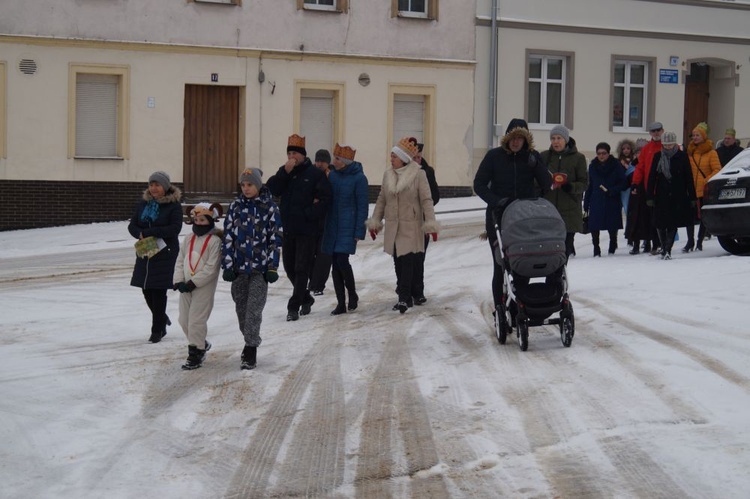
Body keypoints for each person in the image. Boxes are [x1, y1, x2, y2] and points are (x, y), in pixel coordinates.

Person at [473, 118, 552, 309]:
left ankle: (519, 305)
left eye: (521, 138)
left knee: (522, 264)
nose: (516, 142)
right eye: (513, 138)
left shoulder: (532, 157)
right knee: (501, 266)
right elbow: (479, 184)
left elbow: (546, 185)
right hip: (498, 217)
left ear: (526, 141)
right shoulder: (494, 156)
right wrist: (496, 200)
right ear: (507, 138)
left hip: (524, 219)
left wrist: (537, 167)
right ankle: (500, 307)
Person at [366, 136, 440, 313]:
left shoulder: (419, 174)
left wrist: (430, 223)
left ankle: (404, 298)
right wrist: (376, 221)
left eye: (394, 156)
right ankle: (405, 296)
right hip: (393, 226)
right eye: (391, 156)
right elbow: (382, 199)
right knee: (398, 262)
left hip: (411, 225)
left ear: (404, 158)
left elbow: (427, 200)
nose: (391, 159)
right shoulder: (388, 175)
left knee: (407, 261)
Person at [266, 134, 332, 322]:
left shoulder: (315, 174)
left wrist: (310, 214)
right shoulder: (286, 172)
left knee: (301, 267)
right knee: (289, 267)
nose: (291, 157)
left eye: (295, 153)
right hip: (289, 228)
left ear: (303, 155)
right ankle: (306, 297)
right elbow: (273, 189)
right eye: (289, 153)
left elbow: (326, 199)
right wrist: (284, 173)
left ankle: (293, 306)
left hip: (307, 229)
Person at [222, 168, 282, 370]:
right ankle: (249, 338)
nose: (246, 188)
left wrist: (272, 266)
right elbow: (228, 237)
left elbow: (275, 238)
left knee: (254, 310)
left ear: (258, 185)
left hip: (260, 269)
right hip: (239, 269)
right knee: (241, 310)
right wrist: (228, 265)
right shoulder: (235, 207)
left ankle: (250, 349)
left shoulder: (269, 208)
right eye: (243, 185)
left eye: (250, 184)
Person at [128, 171, 183, 343]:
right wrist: (140, 233)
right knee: (145, 288)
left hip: (165, 251)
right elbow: (132, 225)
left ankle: (157, 330)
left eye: (157, 185)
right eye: (151, 184)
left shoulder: (173, 205)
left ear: (165, 186)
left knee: (158, 290)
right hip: (146, 250)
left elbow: (175, 229)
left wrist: (150, 232)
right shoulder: (143, 203)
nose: (153, 188)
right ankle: (162, 317)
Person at [173, 203, 222, 370]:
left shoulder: (214, 241)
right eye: (196, 220)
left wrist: (194, 282)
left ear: (210, 220)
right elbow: (180, 260)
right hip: (185, 285)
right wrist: (179, 280)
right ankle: (201, 341)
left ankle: (196, 352)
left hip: (202, 286)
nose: (199, 223)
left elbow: (211, 267)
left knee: (196, 320)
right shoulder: (188, 239)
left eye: (203, 220)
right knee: (183, 320)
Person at [322, 144, 369, 315]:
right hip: (333, 225)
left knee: (342, 260)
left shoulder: (359, 179)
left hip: (348, 227)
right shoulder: (333, 176)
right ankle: (341, 302)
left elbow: (362, 207)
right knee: (335, 264)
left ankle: (352, 294)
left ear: (345, 161)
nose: (333, 161)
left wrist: (359, 231)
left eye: (337, 158)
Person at [646, 132, 697, 260]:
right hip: (661, 195)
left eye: (670, 144)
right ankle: (663, 246)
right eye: (666, 144)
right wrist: (650, 196)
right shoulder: (658, 156)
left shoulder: (682, 156)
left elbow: (689, 177)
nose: (668, 147)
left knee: (673, 223)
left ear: (675, 143)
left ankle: (667, 249)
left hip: (678, 195)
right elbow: (652, 177)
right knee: (660, 223)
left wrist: (692, 197)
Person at [541, 124, 588, 258]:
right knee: (549, 249)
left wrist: (570, 187)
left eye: (559, 138)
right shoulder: (544, 156)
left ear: (566, 139)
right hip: (548, 209)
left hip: (570, 210)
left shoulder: (578, 158)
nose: (555, 142)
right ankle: (552, 277)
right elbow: (536, 181)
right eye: (553, 138)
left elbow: (584, 183)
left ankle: (560, 275)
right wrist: (546, 185)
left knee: (565, 248)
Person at [410, 138, 440, 305]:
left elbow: (435, 196)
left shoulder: (428, 171)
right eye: (414, 157)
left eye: (419, 157)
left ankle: (418, 291)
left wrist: (424, 203)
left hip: (421, 220)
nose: (418, 160)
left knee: (419, 256)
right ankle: (405, 288)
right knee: (406, 257)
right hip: (406, 221)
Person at [584, 142, 627, 256]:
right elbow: (590, 184)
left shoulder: (616, 165)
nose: (601, 156)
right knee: (594, 225)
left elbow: (623, 182)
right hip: (596, 198)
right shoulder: (593, 166)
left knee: (612, 225)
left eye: (604, 153)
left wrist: (612, 190)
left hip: (611, 198)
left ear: (608, 153)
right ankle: (596, 248)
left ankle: (612, 246)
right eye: (599, 153)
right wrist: (586, 202)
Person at [684, 122, 722, 252]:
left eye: (697, 135)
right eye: (693, 135)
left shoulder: (711, 152)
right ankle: (690, 241)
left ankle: (699, 241)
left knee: (702, 217)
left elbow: (717, 169)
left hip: (703, 189)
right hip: (690, 190)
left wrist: (706, 181)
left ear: (704, 137)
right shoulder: (690, 152)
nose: (695, 138)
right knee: (689, 217)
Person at [630, 122, 665, 254]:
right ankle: (654, 243)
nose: (656, 133)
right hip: (649, 188)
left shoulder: (667, 146)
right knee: (651, 217)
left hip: (664, 187)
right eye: (653, 131)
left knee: (662, 217)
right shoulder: (647, 149)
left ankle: (664, 242)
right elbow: (640, 167)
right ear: (650, 133)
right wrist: (635, 182)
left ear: (662, 131)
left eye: (658, 130)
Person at [309, 149, 333, 296]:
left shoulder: (332, 176)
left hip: (327, 219)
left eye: (322, 161)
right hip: (312, 219)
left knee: (324, 254)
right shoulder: (310, 174)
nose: (319, 164)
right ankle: (312, 281)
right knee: (310, 252)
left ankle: (318, 285)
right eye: (318, 161)